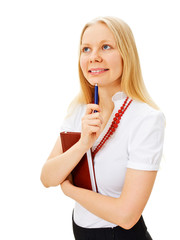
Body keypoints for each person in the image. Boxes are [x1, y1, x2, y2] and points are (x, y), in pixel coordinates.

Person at [40, 16, 165, 240]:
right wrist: (83, 143)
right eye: (86, 49)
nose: (94, 57)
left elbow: (126, 216)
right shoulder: (79, 109)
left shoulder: (146, 119)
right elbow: (47, 177)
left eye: (105, 47)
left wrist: (70, 190)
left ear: (126, 54)